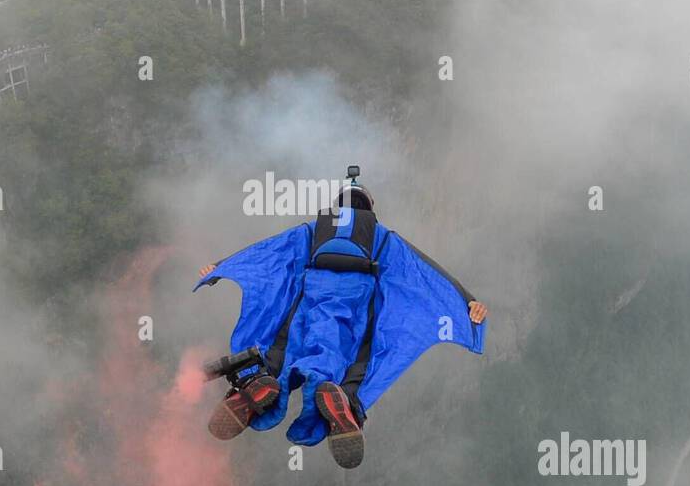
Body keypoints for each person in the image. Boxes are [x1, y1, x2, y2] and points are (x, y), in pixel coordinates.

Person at [195, 169, 487, 469]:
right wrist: (468, 305)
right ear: (369, 207)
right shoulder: (384, 240)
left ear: (339, 204)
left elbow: (266, 254)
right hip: (354, 310)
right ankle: (346, 402)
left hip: (308, 303)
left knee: (280, 354)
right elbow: (425, 276)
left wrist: (221, 268)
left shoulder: (313, 230)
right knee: (354, 367)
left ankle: (257, 383)